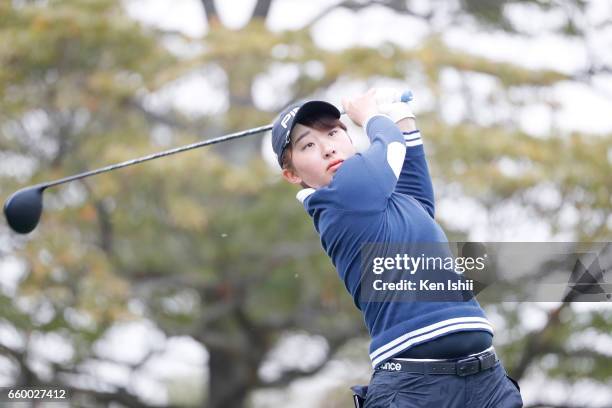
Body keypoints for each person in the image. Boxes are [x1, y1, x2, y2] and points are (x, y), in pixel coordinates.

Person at [271, 88, 523, 407]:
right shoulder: (339, 197)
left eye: (333, 132)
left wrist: (402, 118)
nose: (326, 148)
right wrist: (371, 116)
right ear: (292, 174)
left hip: (487, 381)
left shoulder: (385, 198)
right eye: (308, 144)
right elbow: (391, 146)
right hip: (414, 389)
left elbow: (417, 193)